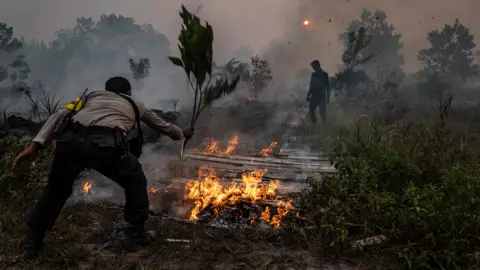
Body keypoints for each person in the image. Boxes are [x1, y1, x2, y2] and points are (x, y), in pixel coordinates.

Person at [12, 77, 194, 261]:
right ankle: (136, 237)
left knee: (55, 191)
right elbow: (166, 128)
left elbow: (60, 114)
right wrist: (183, 133)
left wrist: (35, 145)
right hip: (105, 145)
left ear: (106, 90)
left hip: (70, 143)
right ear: (129, 91)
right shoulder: (136, 104)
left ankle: (32, 242)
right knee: (135, 181)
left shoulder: (91, 95)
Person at [306, 60, 330, 126]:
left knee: (323, 114)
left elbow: (328, 87)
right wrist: (308, 95)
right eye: (313, 67)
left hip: (321, 96)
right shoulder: (313, 74)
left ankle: (324, 128)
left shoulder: (325, 75)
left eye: (314, 66)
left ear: (318, 65)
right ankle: (315, 125)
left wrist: (328, 97)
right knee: (311, 112)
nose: (313, 68)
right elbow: (311, 86)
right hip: (314, 96)